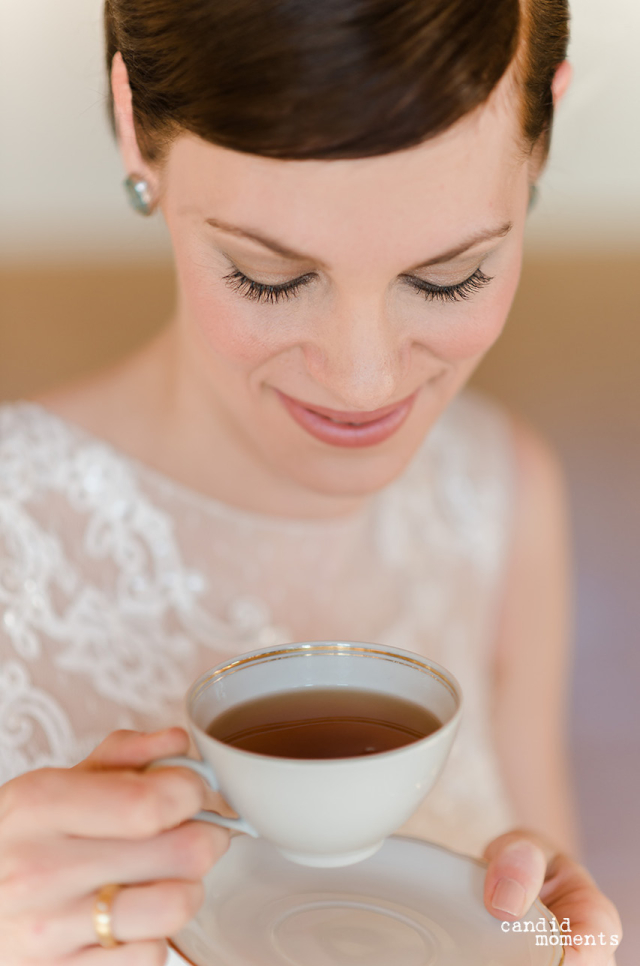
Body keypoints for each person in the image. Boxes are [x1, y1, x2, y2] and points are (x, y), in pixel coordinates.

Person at [0, 0, 623, 962]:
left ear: (540, 137)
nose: (365, 380)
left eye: (453, 276)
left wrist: (562, 946)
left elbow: (546, 911)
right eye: (268, 277)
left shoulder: (502, 496)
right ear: (135, 130)